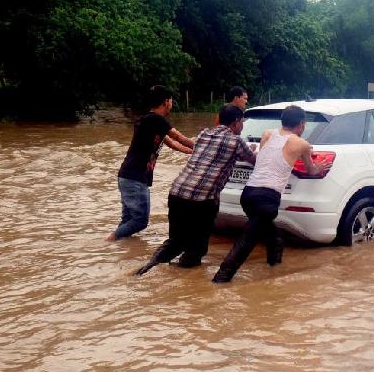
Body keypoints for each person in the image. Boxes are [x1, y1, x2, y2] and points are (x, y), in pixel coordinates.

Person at [134, 105, 256, 275]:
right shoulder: (236, 142)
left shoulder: (204, 134)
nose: (242, 126)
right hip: (202, 201)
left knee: (175, 242)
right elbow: (254, 161)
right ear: (236, 122)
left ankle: (145, 269)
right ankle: (184, 283)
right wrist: (255, 149)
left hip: (177, 193)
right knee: (196, 249)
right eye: (242, 122)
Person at [212, 105, 321, 283]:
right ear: (301, 124)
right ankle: (221, 278)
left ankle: (274, 265)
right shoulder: (302, 144)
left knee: (272, 235)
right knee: (247, 241)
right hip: (267, 199)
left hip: (248, 195)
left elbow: (265, 158)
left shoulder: (267, 134)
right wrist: (320, 167)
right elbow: (311, 170)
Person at [106, 85, 194, 241]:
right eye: (171, 101)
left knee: (128, 221)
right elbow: (178, 137)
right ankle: (110, 240)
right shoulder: (155, 119)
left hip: (128, 177)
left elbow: (173, 144)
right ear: (166, 102)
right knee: (140, 221)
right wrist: (204, 146)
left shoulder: (149, 121)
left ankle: (116, 248)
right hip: (135, 178)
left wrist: (193, 152)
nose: (171, 104)